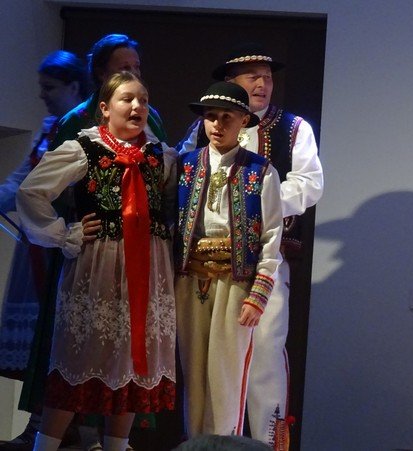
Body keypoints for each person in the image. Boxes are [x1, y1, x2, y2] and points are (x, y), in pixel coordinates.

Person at [16, 71, 177, 451]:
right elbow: (31, 191)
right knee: (77, 361)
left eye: (143, 99)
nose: (137, 106)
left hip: (147, 271)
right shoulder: (84, 149)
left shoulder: (161, 157)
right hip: (99, 267)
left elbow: (173, 204)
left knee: (134, 365)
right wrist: (63, 233)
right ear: (104, 108)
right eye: (127, 99)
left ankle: (117, 446)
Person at [178, 42, 323, 448]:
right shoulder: (203, 127)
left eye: (268, 77)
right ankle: (208, 442)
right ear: (231, 82)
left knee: (264, 356)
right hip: (205, 268)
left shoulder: (293, 127)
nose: (262, 84)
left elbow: (310, 184)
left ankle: (265, 443)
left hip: (263, 262)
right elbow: (183, 177)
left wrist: (257, 202)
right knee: (206, 362)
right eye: (252, 77)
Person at [175, 81, 284, 438]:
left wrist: (258, 294)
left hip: (235, 282)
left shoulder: (261, 171)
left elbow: (271, 237)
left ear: (243, 122)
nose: (217, 125)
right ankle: (195, 445)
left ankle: (222, 445)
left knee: (226, 377)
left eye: (227, 117)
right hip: (190, 281)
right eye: (211, 117)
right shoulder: (184, 166)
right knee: (193, 376)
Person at [0, 50, 90, 451]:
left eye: (49, 87)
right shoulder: (50, 129)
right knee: (40, 338)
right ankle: (42, 425)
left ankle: (64, 428)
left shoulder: (84, 133)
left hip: (66, 247)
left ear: (74, 86)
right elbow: (21, 183)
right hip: (39, 247)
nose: (42, 95)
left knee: (62, 338)